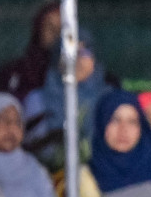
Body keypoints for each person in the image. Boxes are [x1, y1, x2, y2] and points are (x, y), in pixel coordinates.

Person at [24, 32, 112, 165]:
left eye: (84, 52)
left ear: (94, 59)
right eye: (69, 53)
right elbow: (35, 149)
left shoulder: (111, 99)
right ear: (57, 60)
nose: (77, 59)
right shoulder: (37, 99)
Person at [0, 2, 60, 102]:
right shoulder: (14, 72)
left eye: (62, 28)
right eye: (50, 27)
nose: (56, 33)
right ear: (39, 29)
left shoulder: (78, 74)